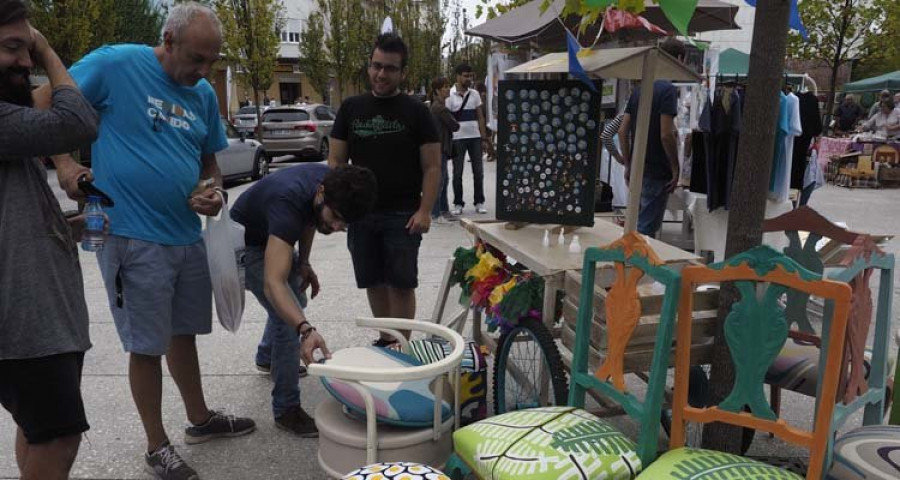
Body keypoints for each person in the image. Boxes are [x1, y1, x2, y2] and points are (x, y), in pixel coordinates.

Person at [38, 3, 256, 479]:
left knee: (182, 334)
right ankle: (157, 444)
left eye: (211, 62)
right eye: (197, 59)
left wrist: (213, 191)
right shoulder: (117, 64)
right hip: (131, 236)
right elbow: (46, 105)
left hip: (184, 237)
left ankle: (199, 419)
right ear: (169, 40)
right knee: (146, 345)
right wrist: (66, 163)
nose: (203, 72)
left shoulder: (199, 94)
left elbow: (209, 165)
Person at [0, 3, 98, 478]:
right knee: (57, 436)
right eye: (11, 48)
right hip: (26, 324)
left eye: (26, 47)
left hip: (34, 317)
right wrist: (45, 48)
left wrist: (60, 228)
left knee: (40, 429)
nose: (24, 61)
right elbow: (76, 120)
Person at [230, 164, 377, 436]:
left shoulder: (328, 186)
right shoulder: (288, 201)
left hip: (269, 231)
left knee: (295, 297)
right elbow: (273, 283)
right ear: (321, 192)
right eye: (335, 218)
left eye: (343, 225)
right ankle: (286, 409)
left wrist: (305, 262)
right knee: (289, 318)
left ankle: (267, 357)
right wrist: (306, 329)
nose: (335, 226)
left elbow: (311, 219)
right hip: (244, 245)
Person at [328, 33, 440, 346]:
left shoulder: (417, 112)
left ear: (402, 73)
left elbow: (432, 166)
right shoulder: (351, 108)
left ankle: (401, 347)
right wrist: (341, 207)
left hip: (403, 213)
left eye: (390, 68)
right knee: (373, 281)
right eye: (377, 66)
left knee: (402, 284)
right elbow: (335, 160)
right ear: (369, 67)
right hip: (361, 215)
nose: (381, 74)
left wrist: (425, 210)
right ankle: (385, 338)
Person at [618, 37, 685, 237]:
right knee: (645, 231)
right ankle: (632, 266)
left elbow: (622, 131)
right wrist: (675, 167)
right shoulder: (668, 91)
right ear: (679, 59)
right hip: (658, 171)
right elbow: (666, 134)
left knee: (636, 224)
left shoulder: (640, 89)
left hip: (640, 168)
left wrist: (629, 164)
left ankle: (628, 264)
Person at [446, 63, 490, 215]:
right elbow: (447, 119)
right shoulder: (449, 95)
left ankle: (479, 201)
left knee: (478, 172)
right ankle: (458, 203)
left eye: (470, 76)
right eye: (465, 76)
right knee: (457, 173)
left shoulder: (475, 94)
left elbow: (480, 116)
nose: (468, 79)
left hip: (475, 138)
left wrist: (484, 138)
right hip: (457, 139)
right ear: (457, 76)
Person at [428, 76, 459, 224]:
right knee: (439, 181)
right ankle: (435, 213)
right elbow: (455, 125)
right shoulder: (439, 108)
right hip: (440, 148)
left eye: (448, 86)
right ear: (437, 91)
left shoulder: (437, 106)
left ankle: (443, 209)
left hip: (441, 147)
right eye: (444, 87)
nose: (448, 89)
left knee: (444, 180)